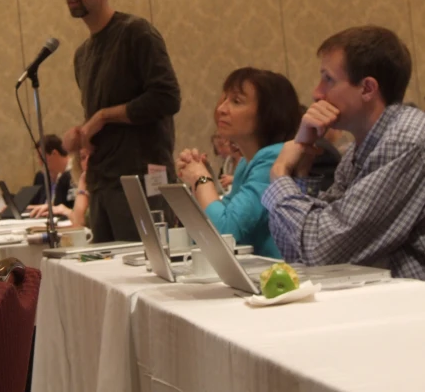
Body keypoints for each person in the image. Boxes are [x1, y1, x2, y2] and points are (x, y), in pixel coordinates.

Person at [263, 26, 425, 279]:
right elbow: (297, 252)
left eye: (328, 79)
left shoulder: (405, 140)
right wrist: (301, 168)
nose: (317, 93)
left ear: (367, 88)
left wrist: (280, 173)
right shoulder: (357, 151)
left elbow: (323, 251)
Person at [61, 0, 181, 243]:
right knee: (109, 278)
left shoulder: (136, 33)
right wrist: (82, 136)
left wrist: (102, 116)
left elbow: (167, 97)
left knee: (144, 276)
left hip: (141, 181)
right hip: (102, 184)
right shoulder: (82, 55)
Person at [176, 68, 301, 258]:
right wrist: (197, 182)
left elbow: (224, 233)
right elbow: (205, 233)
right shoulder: (247, 162)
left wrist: (201, 179)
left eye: (236, 101)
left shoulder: (275, 158)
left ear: (268, 113)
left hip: (282, 278)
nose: (221, 109)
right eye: (225, 99)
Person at [29, 148, 90, 227]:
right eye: (83, 157)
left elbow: (80, 221)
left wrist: (65, 211)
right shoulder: (45, 176)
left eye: (41, 157)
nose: (39, 162)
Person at [30, 134, 74, 209]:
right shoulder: (59, 175)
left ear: (54, 154)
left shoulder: (74, 173)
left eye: (41, 157)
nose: (40, 163)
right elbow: (54, 205)